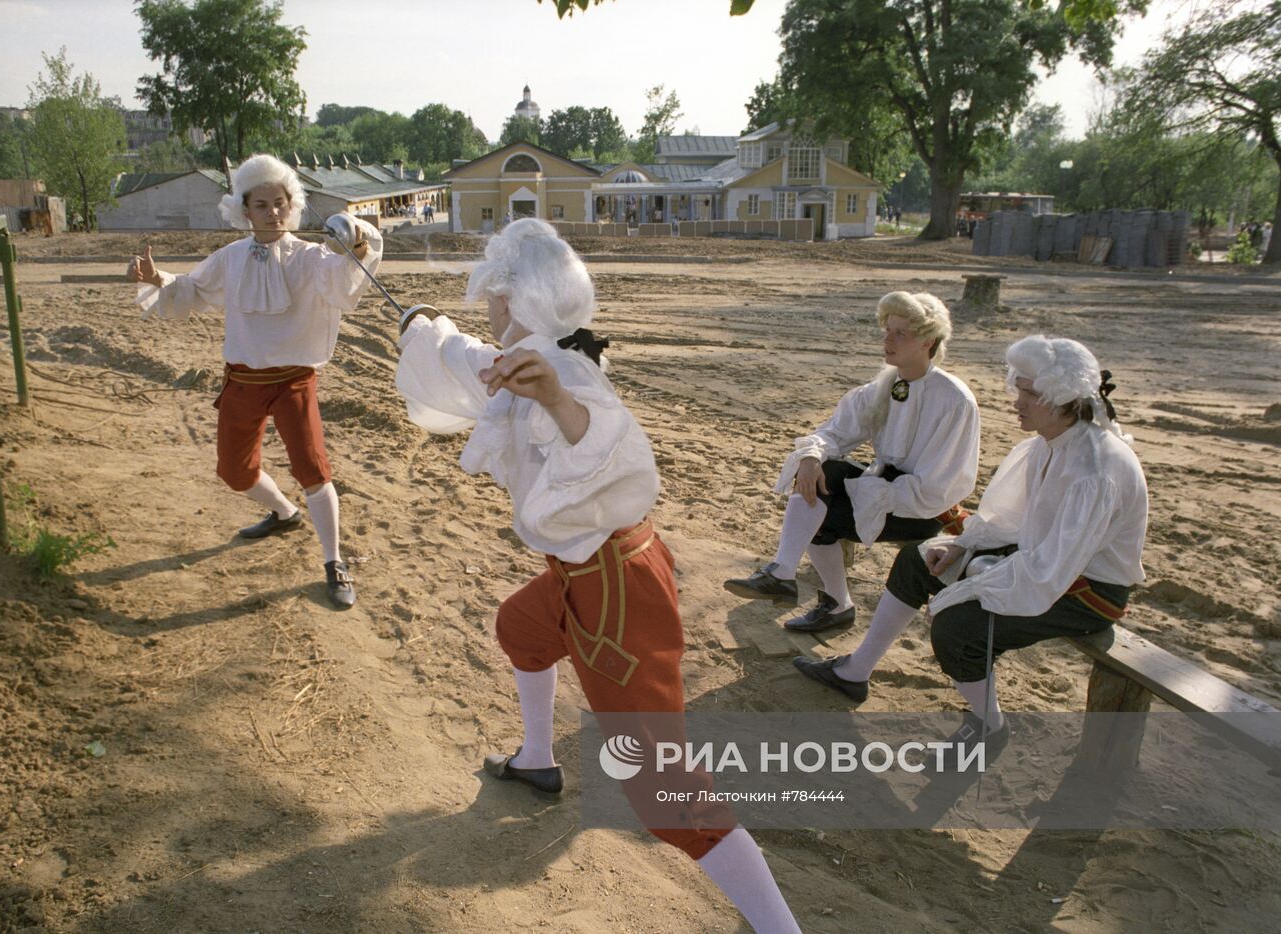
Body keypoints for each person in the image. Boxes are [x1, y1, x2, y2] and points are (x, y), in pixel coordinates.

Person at [394, 219, 801, 933]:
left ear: (518, 302)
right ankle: (535, 759)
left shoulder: (564, 374)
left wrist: (554, 398)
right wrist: (423, 324)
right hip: (595, 570)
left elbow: (606, 443)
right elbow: (470, 359)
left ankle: (780, 928)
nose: (488, 305)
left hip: (616, 591)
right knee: (521, 625)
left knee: (667, 793)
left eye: (495, 294)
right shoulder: (536, 355)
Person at [794, 336, 1148, 755]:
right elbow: (1012, 519)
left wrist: (970, 587)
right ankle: (854, 672)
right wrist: (964, 547)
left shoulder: (1094, 470)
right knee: (917, 560)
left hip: (1088, 592)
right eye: (1018, 388)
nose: (1018, 401)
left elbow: (1050, 571)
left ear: (1065, 399)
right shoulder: (1051, 441)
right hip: (1045, 560)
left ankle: (988, 727)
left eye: (1031, 393)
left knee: (958, 628)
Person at [127, 153, 382, 609]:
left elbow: (342, 279)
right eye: (261, 205)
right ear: (245, 211)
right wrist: (157, 278)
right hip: (242, 380)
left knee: (312, 469)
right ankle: (283, 513)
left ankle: (333, 561)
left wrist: (358, 244)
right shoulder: (229, 258)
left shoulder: (310, 258)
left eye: (281, 203)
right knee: (233, 470)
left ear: (293, 204)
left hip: (294, 381)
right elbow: (190, 292)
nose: (273, 212)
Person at [724, 292, 980, 635]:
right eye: (886, 330)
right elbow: (835, 432)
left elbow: (939, 486)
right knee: (818, 475)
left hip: (920, 509)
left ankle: (833, 603)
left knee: (819, 511)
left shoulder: (955, 400)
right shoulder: (883, 386)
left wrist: (870, 491)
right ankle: (785, 575)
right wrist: (812, 457)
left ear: (928, 341)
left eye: (899, 333)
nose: (887, 340)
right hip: (883, 487)